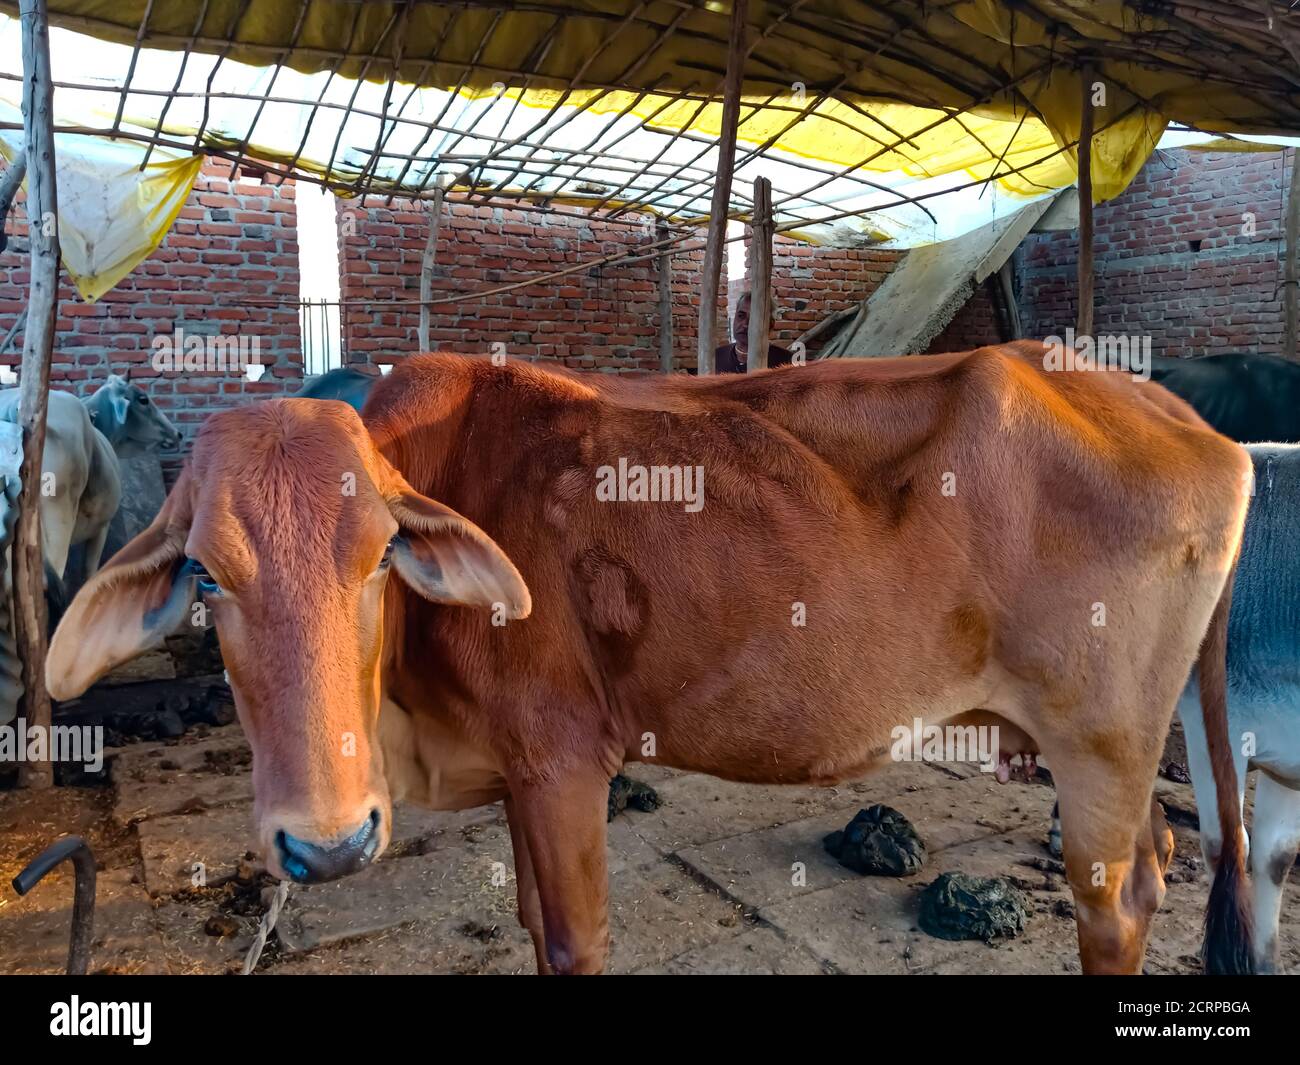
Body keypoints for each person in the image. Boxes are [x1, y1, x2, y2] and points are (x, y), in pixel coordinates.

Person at [714, 291, 795, 373]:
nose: (745, 324)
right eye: (741, 316)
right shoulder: (716, 357)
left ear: (770, 325)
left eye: (754, 319)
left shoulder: (787, 362)